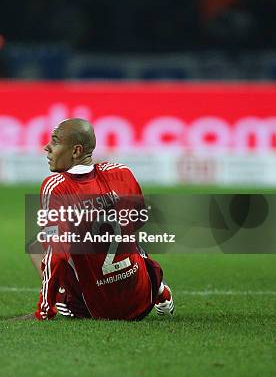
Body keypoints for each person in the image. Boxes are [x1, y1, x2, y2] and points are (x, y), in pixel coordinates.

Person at [27, 119, 174, 320]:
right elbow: (140, 219)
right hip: (142, 299)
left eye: (54, 141)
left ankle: (62, 298)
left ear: (76, 151)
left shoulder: (56, 187)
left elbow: (57, 256)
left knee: (39, 245)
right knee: (129, 233)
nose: (47, 147)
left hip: (97, 311)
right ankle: (158, 287)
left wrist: (44, 309)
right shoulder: (122, 172)